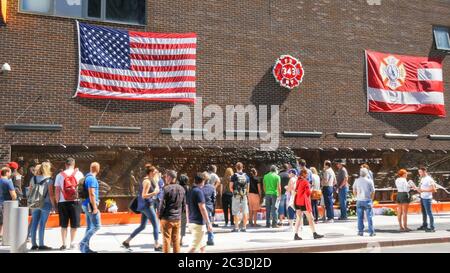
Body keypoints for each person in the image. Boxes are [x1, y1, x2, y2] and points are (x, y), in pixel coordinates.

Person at [123, 165, 162, 251]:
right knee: (155, 224)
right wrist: (154, 193)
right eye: (155, 172)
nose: (156, 173)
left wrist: (157, 182)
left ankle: (127, 241)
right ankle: (156, 245)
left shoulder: (148, 180)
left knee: (142, 226)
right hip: (147, 206)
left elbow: (156, 188)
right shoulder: (147, 181)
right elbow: (144, 195)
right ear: (151, 172)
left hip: (144, 206)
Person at [55, 158, 84, 250]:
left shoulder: (59, 175)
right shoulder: (79, 174)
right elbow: (82, 189)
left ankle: (64, 244)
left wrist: (57, 202)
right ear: (74, 165)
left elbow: (57, 190)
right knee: (74, 224)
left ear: (65, 164)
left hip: (63, 202)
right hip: (76, 201)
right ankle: (72, 243)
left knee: (63, 224)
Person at [158, 170, 185, 253]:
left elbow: (162, 205)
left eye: (166, 177)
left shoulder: (166, 189)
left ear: (169, 177)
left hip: (167, 218)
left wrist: (160, 216)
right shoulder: (182, 188)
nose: (165, 178)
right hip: (177, 218)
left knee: (166, 240)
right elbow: (183, 205)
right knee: (176, 240)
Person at [29, 162, 54, 250]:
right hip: (45, 203)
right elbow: (51, 195)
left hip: (34, 203)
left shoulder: (33, 178)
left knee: (34, 223)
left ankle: (33, 244)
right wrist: (54, 206)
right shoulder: (49, 180)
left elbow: (30, 191)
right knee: (42, 224)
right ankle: (41, 244)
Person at [293, 170, 324, 240]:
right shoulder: (305, 182)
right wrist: (311, 188)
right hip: (303, 202)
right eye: (306, 174)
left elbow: (296, 190)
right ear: (304, 174)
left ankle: (296, 234)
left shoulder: (298, 181)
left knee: (298, 218)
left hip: (297, 201)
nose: (307, 175)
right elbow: (308, 193)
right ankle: (314, 233)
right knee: (311, 218)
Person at [187, 173, 213, 253]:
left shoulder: (190, 191)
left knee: (202, 246)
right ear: (203, 181)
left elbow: (187, 206)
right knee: (193, 248)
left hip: (192, 221)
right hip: (199, 223)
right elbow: (202, 208)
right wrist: (208, 223)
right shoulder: (199, 192)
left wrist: (188, 221)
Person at [79, 162, 102, 253]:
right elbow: (91, 193)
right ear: (98, 169)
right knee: (97, 226)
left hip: (85, 204)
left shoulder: (86, 177)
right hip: (90, 205)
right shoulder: (92, 179)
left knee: (89, 227)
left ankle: (85, 249)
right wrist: (95, 207)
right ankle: (82, 243)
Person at [353, 168, 375, 237]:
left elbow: (354, 190)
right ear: (366, 173)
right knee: (369, 217)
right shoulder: (369, 181)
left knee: (360, 217)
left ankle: (360, 232)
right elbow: (373, 191)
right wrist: (371, 199)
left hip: (359, 201)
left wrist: (356, 196)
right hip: (367, 200)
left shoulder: (357, 181)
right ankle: (371, 232)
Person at [230, 163, 250, 232]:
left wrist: (235, 192)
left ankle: (236, 227)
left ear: (236, 167)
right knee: (245, 211)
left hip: (236, 195)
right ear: (242, 167)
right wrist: (244, 194)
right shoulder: (246, 177)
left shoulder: (233, 176)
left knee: (236, 211)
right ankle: (244, 227)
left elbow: (230, 187)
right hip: (244, 196)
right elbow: (248, 189)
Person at [417, 167, 437, 232]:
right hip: (422, 198)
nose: (419, 173)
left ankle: (432, 227)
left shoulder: (429, 179)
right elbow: (421, 188)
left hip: (427, 198)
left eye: (420, 172)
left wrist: (423, 190)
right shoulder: (422, 179)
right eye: (419, 172)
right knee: (424, 213)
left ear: (424, 171)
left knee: (429, 213)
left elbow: (434, 190)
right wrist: (418, 189)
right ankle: (424, 225)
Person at [0, 167, 17, 237]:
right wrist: (14, 200)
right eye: (10, 172)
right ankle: (3, 235)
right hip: (6, 203)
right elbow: (13, 195)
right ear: (7, 173)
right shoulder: (8, 181)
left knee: (1, 220)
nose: (10, 174)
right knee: (5, 220)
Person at [201, 171, 216, 246]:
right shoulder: (212, 187)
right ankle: (210, 238)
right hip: (209, 207)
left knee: (200, 224)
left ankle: (200, 240)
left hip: (200, 207)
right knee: (208, 223)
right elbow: (214, 198)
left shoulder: (199, 187)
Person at [178, 174, 189, 247]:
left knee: (176, 224)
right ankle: (181, 240)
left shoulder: (177, 187)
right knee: (183, 224)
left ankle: (174, 240)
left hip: (175, 207)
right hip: (183, 207)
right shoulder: (187, 188)